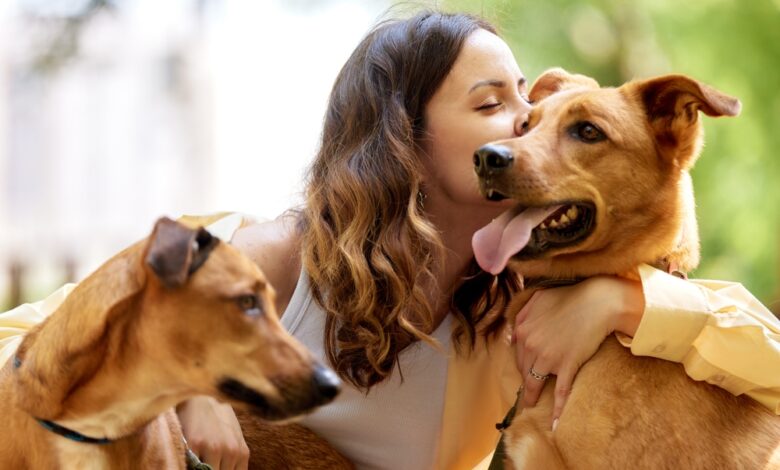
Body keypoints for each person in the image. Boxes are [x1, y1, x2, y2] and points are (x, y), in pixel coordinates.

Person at [2, 10, 779, 470]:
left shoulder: (520, 308)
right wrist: (176, 391)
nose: (522, 127)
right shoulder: (274, 257)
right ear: (405, 139)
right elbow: (29, 349)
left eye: (528, 105)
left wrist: (622, 299)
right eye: (493, 104)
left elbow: (763, 371)